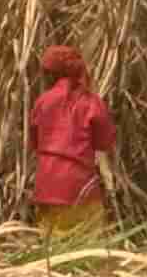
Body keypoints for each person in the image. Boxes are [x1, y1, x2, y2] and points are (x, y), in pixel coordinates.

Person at [29, 44, 117, 237]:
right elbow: (105, 142)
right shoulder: (91, 102)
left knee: (51, 254)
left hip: (47, 186)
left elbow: (34, 143)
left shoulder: (42, 102)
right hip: (80, 188)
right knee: (88, 250)